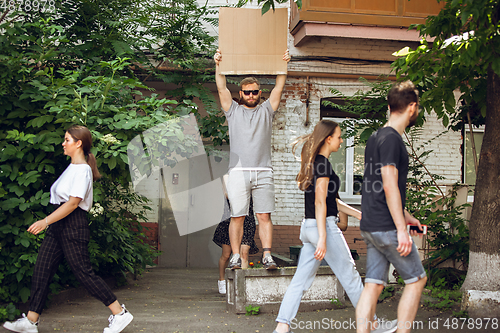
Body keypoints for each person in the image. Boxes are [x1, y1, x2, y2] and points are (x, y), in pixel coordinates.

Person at [3, 125, 133, 333]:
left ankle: (119, 313)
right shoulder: (72, 167)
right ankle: (31, 321)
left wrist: (45, 221)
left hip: (72, 225)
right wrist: (51, 223)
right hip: (59, 225)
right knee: (42, 270)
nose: (63, 144)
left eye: (67, 140)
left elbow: (73, 203)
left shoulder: (82, 170)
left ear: (78, 143)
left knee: (83, 273)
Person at [273, 120, 396, 333]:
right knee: (350, 276)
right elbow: (320, 202)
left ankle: (282, 327)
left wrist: (360, 214)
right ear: (328, 138)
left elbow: (333, 202)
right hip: (323, 228)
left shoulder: (315, 163)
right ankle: (372, 325)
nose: (341, 140)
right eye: (339, 137)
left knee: (300, 281)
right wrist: (323, 237)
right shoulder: (323, 164)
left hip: (309, 227)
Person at [356, 81, 427, 333]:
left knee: (373, 284)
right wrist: (400, 229)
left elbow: (375, 187)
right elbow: (388, 184)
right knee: (417, 279)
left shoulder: (376, 137)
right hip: (386, 227)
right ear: (412, 107)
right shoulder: (392, 139)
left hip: (371, 225)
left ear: (389, 107)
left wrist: (408, 218)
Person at [214, 48, 290, 270]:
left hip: (263, 171)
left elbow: (279, 86)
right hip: (238, 172)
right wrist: (218, 64)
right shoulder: (233, 111)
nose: (251, 95)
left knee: (264, 215)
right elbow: (220, 87)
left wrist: (284, 63)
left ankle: (267, 256)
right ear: (240, 93)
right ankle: (236, 256)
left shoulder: (267, 110)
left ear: (259, 93)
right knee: (237, 216)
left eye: (255, 92)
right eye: (247, 92)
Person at [213, 197, 259, 294]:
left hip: (247, 221)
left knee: (244, 253)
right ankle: (222, 280)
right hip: (230, 221)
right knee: (226, 255)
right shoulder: (231, 184)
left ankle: (241, 283)